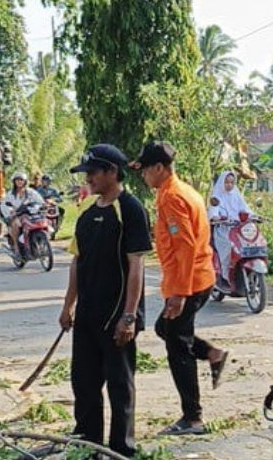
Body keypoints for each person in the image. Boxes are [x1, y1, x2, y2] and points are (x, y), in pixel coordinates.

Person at [59, 144, 153, 458]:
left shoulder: (130, 209)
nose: (88, 179)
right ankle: (88, 447)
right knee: (84, 383)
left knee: (119, 384)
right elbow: (77, 261)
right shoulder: (87, 212)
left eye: (93, 172)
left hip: (117, 316)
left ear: (112, 172)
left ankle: (121, 450)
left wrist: (129, 316)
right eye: (86, 173)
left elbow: (136, 265)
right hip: (87, 315)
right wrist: (68, 305)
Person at [131, 141, 230, 436]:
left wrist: (180, 294)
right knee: (165, 329)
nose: (143, 176)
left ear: (159, 168)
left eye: (145, 170)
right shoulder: (179, 190)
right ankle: (212, 353)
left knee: (177, 346)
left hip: (189, 282)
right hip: (197, 277)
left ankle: (193, 418)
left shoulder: (173, 197)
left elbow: (185, 246)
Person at [207, 170, 252, 287]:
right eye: (227, 182)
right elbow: (213, 210)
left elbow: (245, 209)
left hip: (238, 230)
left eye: (232, 182)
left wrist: (253, 216)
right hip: (222, 231)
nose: (229, 185)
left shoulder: (236, 195)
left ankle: (241, 273)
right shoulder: (216, 196)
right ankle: (224, 277)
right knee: (228, 249)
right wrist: (215, 216)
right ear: (222, 182)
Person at [0, 172, 43, 256]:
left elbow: (40, 201)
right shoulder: (10, 194)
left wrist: (40, 207)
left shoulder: (31, 192)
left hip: (31, 214)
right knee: (15, 224)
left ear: (25, 181)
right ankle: (16, 247)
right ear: (14, 182)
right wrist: (11, 212)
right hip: (17, 216)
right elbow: (4, 205)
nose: (19, 182)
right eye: (17, 180)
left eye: (21, 180)